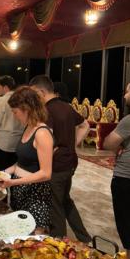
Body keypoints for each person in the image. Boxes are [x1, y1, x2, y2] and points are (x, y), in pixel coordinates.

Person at [29, 75, 91, 242]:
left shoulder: (46, 111)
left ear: (41, 92)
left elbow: (45, 140)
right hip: (70, 163)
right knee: (65, 200)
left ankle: (60, 243)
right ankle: (84, 238)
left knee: (55, 206)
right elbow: (86, 125)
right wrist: (73, 144)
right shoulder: (66, 106)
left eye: (34, 94)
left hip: (56, 165)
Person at [0, 86, 54, 234]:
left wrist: (13, 182)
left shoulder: (42, 133)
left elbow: (45, 173)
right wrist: (3, 172)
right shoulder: (28, 127)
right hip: (20, 190)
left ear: (26, 109)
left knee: (32, 241)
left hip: (35, 195)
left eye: (15, 112)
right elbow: (23, 162)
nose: (14, 115)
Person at [103, 79, 130, 259]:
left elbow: (108, 143)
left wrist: (121, 145)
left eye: (127, 92)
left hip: (128, 179)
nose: (125, 95)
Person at [0, 75, 23, 170]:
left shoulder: (1, 100)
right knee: (13, 171)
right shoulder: (22, 99)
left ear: (6, 87)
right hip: (18, 142)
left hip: (2, 143)